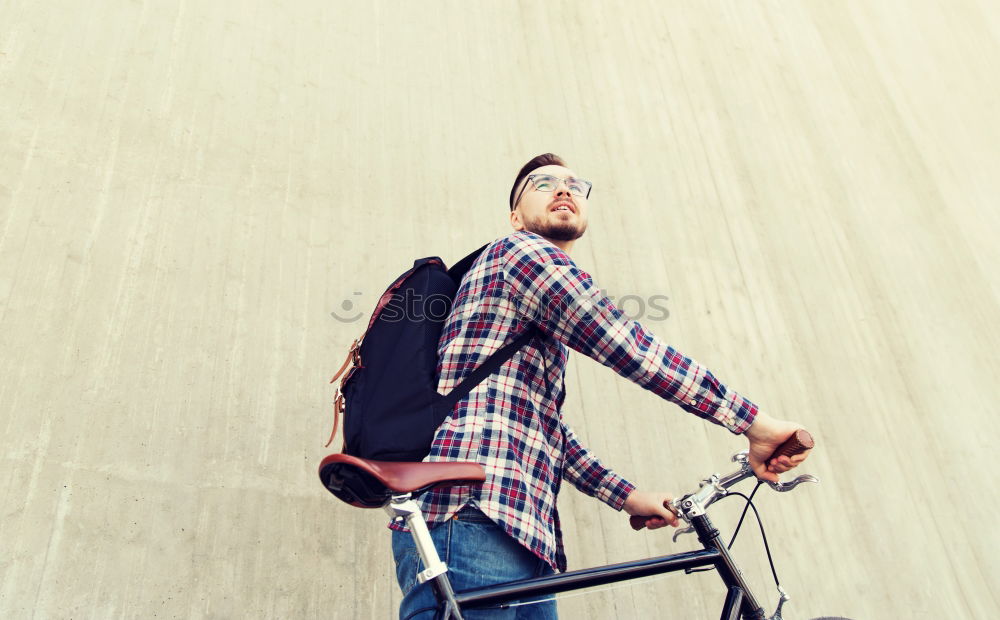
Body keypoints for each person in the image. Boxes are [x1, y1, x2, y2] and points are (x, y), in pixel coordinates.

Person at [388, 153, 811, 619]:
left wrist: (625, 495)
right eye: (543, 183)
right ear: (514, 216)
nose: (563, 189)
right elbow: (625, 344)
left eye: (574, 184)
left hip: (521, 531)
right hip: (473, 515)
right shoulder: (521, 254)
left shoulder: (523, 298)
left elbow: (544, 429)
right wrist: (754, 423)